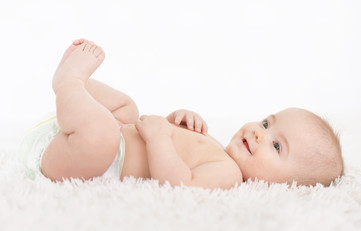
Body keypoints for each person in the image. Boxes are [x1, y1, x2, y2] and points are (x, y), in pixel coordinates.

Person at [26, 39, 343, 189]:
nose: (260, 133)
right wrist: (180, 119)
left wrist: (161, 137)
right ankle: (78, 96)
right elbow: (172, 141)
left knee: (103, 136)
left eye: (276, 146)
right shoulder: (219, 150)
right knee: (128, 109)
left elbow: (179, 184)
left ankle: (69, 85)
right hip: (103, 139)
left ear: (286, 187)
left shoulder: (228, 176)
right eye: (266, 122)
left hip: (88, 160)